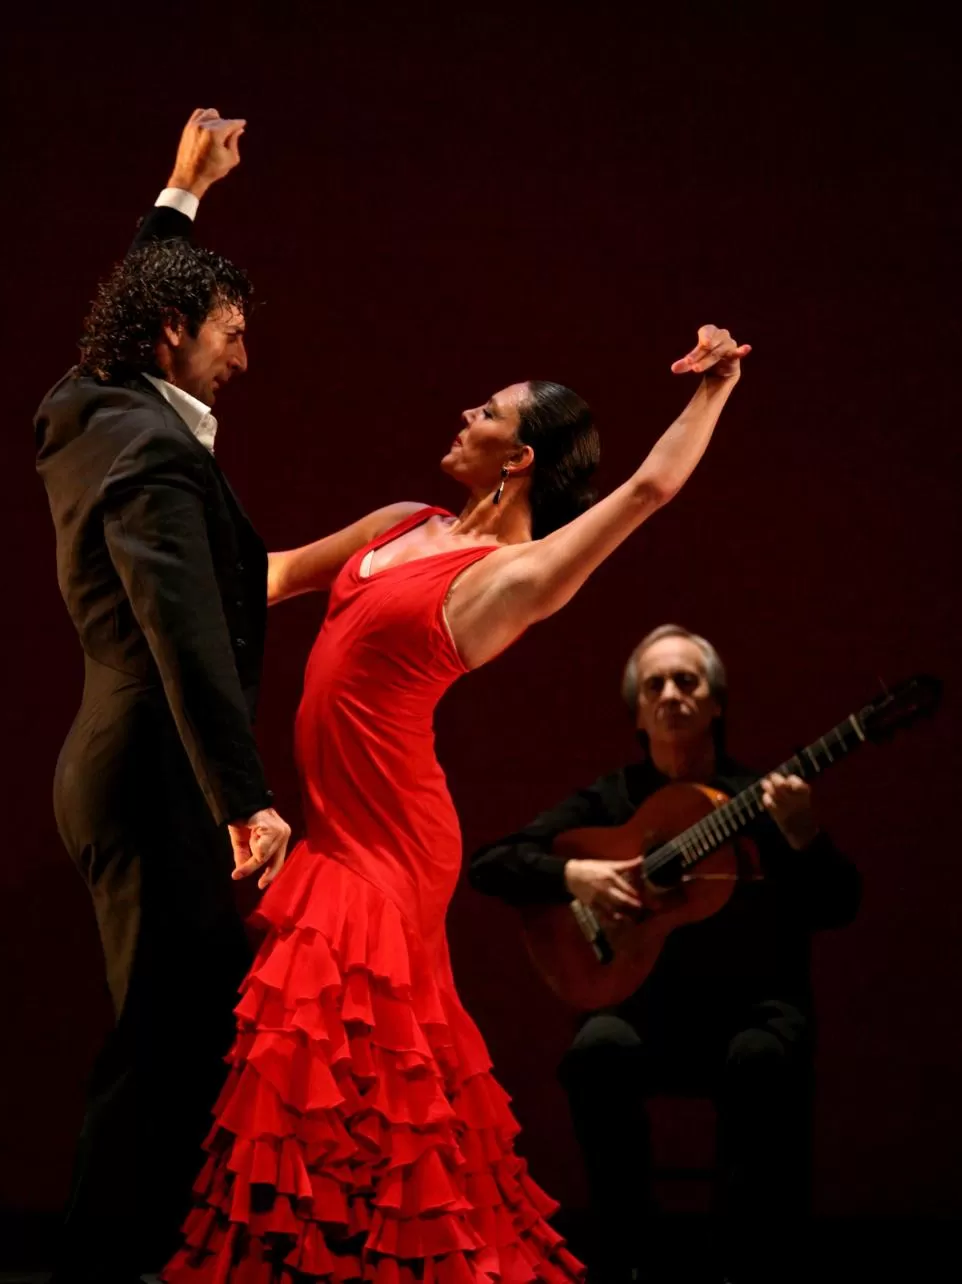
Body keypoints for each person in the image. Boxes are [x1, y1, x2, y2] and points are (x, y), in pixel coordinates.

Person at [162, 328, 750, 1282]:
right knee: (325, 1051)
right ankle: (328, 1255)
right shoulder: (401, 519)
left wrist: (713, 389)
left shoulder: (516, 575)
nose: (465, 416)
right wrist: (140, 555)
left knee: (338, 1045)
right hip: (335, 827)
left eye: (488, 413)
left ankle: (392, 1254)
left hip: (393, 838)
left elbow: (647, 491)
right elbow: (264, 579)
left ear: (519, 458)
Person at [35, 110, 291, 1284]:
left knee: (173, 1037)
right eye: (231, 335)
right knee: (162, 1047)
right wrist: (246, 801)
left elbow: (135, 305)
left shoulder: (85, 408)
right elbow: (189, 643)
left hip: (117, 763)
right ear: (176, 335)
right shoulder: (153, 457)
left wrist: (179, 193)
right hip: (157, 772)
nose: (245, 357)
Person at [469, 625, 863, 1284]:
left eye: (689, 681)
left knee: (763, 1060)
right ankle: (630, 1256)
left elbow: (839, 905)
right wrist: (575, 878)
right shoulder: (611, 800)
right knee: (596, 1053)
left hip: (753, 1010)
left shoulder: (762, 798)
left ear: (716, 704)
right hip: (647, 1012)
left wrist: (806, 837)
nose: (672, 694)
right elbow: (490, 865)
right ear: (638, 713)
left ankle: (742, 1260)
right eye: (656, 684)